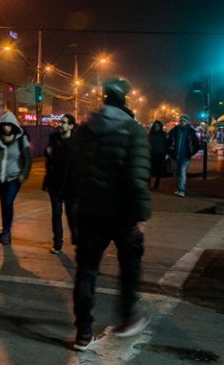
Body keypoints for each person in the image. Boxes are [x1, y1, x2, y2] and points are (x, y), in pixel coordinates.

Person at [69, 77, 151, 351]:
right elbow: (137, 178)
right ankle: (127, 318)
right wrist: (140, 215)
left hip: (90, 211)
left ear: (104, 98)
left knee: (86, 270)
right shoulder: (133, 130)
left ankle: (83, 332)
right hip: (123, 213)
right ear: (125, 100)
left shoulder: (84, 130)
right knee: (129, 264)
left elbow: (74, 171)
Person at [0, 111, 32, 245]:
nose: (6, 127)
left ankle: (6, 232)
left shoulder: (21, 138)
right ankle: (5, 231)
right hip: (0, 177)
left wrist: (24, 174)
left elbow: (28, 158)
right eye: (4, 125)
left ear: (14, 126)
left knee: (8, 202)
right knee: (4, 203)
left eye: (9, 125)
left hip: (14, 177)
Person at [43, 113, 77, 254]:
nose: (61, 125)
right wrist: (47, 152)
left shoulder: (76, 142)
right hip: (54, 182)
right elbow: (48, 154)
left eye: (64, 122)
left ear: (71, 126)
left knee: (71, 213)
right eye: (61, 122)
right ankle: (57, 242)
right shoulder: (54, 138)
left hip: (69, 184)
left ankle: (77, 237)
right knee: (56, 213)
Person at [167, 114, 200, 197]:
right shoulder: (174, 131)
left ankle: (182, 190)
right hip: (174, 156)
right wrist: (169, 151)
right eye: (181, 120)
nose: (182, 122)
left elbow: (196, 144)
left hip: (185, 156)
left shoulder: (191, 132)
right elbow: (168, 142)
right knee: (176, 173)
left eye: (184, 121)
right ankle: (178, 188)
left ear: (187, 122)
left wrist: (191, 153)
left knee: (182, 173)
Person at [148, 120, 169, 190]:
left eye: (158, 126)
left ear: (160, 127)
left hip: (160, 154)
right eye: (155, 126)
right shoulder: (151, 134)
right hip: (152, 154)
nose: (156, 127)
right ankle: (148, 185)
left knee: (158, 171)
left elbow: (166, 144)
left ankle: (156, 185)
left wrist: (166, 153)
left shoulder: (163, 134)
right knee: (150, 170)